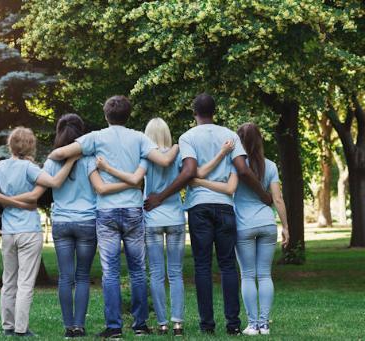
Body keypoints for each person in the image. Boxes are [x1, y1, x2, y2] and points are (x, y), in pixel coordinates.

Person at [48, 96, 179, 338]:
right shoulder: (140, 137)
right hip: (132, 210)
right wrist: (177, 147)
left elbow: (58, 154)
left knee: (110, 271)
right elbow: (162, 159)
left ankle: (114, 327)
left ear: (106, 115)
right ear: (128, 115)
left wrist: (78, 154)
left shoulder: (96, 138)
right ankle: (140, 325)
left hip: (106, 211)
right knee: (138, 269)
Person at [144, 93, 273, 335]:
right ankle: (233, 324)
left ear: (195, 113)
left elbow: (189, 171)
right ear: (215, 111)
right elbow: (243, 170)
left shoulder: (187, 137)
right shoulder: (230, 135)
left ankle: (207, 325)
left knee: (202, 266)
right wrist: (264, 195)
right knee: (227, 265)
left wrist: (160, 196)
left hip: (198, 207)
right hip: (225, 206)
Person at [96, 117, 235, 336]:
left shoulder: (144, 155)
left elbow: (136, 180)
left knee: (157, 274)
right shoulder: (179, 153)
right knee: (176, 273)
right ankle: (178, 324)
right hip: (175, 218)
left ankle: (161, 323)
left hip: (152, 218)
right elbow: (193, 175)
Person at [12, 114, 135, 338]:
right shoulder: (89, 159)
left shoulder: (51, 162)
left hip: (61, 223)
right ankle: (79, 326)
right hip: (87, 222)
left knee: (65, 277)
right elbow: (100, 187)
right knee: (82, 276)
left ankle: (68, 327)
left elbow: (42, 189)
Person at [197, 123, 289, 335]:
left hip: (244, 225)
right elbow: (278, 199)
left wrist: (200, 182)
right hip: (267, 223)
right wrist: (286, 227)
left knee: (248, 275)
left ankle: (253, 324)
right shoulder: (271, 166)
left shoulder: (234, 164)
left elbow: (228, 189)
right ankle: (265, 325)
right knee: (265, 275)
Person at [0, 127, 78, 337]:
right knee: (25, 282)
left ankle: (7, 326)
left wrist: (9, 202)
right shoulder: (29, 168)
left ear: (10, 145)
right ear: (30, 146)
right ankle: (20, 329)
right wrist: (71, 161)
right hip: (28, 230)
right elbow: (55, 182)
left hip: (8, 231)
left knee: (8, 280)